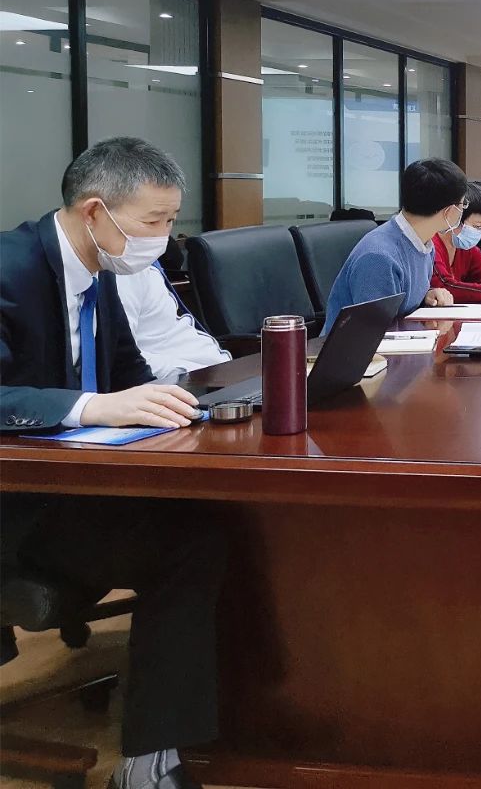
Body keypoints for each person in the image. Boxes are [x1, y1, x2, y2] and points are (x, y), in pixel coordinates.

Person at [0, 136, 224, 789]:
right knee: (189, 542)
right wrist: (91, 407)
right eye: (154, 221)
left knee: (215, 514)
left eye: (171, 220)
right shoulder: (9, 270)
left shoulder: (101, 271)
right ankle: (149, 764)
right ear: (96, 211)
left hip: (71, 485)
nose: (165, 238)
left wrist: (188, 405)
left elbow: (129, 373)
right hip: (17, 504)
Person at [323, 158, 468, 334]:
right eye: (463, 204)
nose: (463, 210)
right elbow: (374, 333)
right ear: (449, 211)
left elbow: (401, 306)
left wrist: (427, 296)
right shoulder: (379, 257)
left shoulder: (424, 244)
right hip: (354, 349)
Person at [117, 262, 230, 379]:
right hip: (186, 380)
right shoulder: (123, 273)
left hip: (212, 372)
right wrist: (188, 375)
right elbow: (124, 360)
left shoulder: (139, 264)